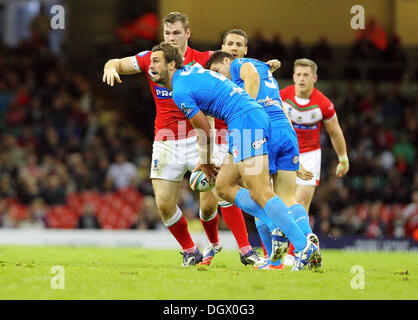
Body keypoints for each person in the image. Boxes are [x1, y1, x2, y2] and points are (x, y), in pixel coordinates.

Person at [102, 12, 262, 267]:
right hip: (166, 140)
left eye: (176, 33)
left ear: (187, 34)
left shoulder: (202, 59)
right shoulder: (151, 60)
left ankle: (244, 250)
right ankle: (190, 250)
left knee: (218, 198)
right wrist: (110, 66)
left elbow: (237, 63)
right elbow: (117, 63)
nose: (172, 38)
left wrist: (266, 66)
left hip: (201, 138)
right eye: (167, 33)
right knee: (164, 205)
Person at [149, 41, 320, 271]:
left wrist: (207, 163)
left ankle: (302, 246)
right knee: (223, 186)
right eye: (150, 61)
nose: (151, 65)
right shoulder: (190, 71)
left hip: (245, 121)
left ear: (171, 65)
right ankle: (275, 224)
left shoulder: (179, 91)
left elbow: (204, 132)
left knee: (259, 191)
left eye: (156, 61)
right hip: (245, 120)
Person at [206, 50, 320, 270]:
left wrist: (244, 109)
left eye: (216, 70)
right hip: (285, 129)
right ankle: (307, 241)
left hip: (260, 129)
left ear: (227, 60)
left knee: (259, 192)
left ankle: (279, 259)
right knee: (286, 197)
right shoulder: (263, 68)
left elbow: (252, 76)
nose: (217, 76)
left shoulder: (241, 65)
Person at [280, 58, 349, 266]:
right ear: (293, 77)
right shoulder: (282, 96)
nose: (302, 78)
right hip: (285, 154)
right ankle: (285, 249)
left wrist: (343, 157)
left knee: (300, 204)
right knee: (281, 204)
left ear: (315, 78)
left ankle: (294, 253)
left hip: (310, 156)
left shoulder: (323, 103)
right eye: (298, 74)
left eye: (306, 75)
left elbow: (335, 132)